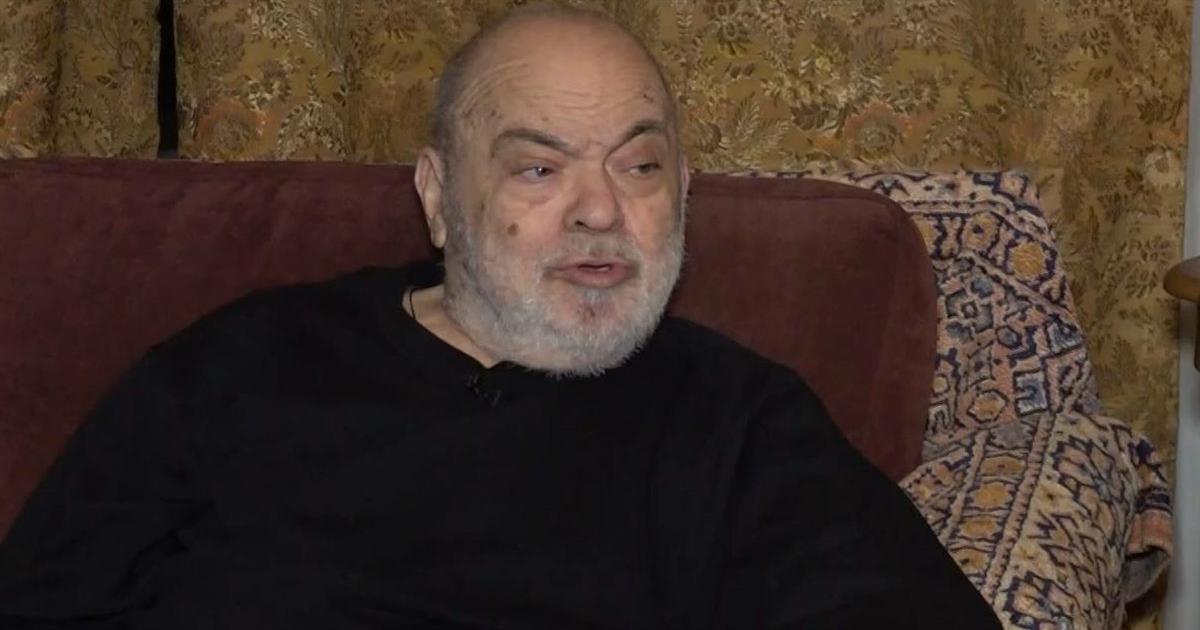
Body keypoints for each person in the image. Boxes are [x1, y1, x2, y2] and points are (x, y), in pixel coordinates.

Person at [0, 4, 1001, 629]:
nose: (601, 209)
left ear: (685, 192)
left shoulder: (740, 424)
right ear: (438, 197)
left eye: (640, 166)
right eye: (539, 169)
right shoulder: (244, 363)